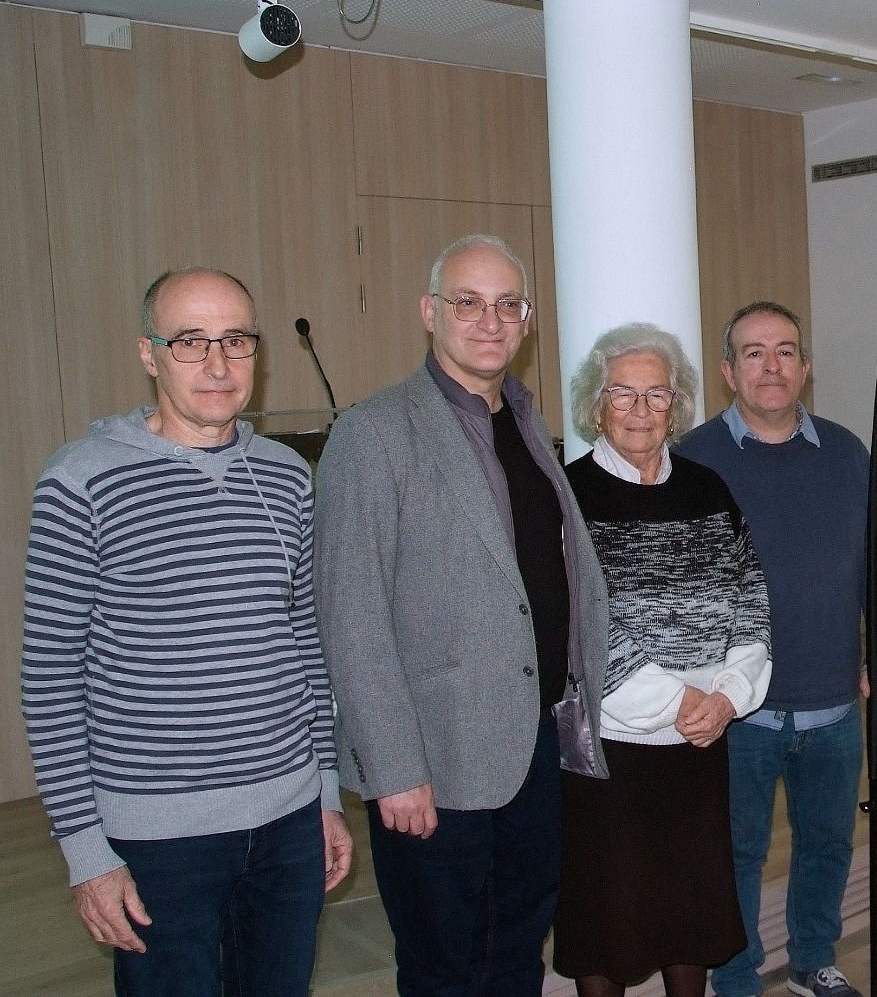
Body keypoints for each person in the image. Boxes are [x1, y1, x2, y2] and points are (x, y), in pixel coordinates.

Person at [21, 267, 352, 995]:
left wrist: (325, 794)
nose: (217, 364)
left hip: (287, 818)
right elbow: (48, 681)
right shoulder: (82, 481)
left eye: (236, 340)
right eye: (190, 342)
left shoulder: (287, 477)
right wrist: (86, 852)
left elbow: (306, 648)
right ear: (149, 354)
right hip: (155, 838)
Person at [315, 234, 610, 995]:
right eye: (467, 303)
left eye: (507, 305)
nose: (490, 321)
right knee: (444, 966)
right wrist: (394, 769)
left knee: (515, 954)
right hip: (434, 762)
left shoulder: (526, 426)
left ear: (528, 317)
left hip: (535, 745)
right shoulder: (374, 433)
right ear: (430, 312)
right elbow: (351, 616)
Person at [555, 323, 772, 997]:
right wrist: (673, 701)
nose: (642, 410)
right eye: (623, 394)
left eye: (657, 395)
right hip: (611, 750)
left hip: (699, 742)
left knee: (692, 911)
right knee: (607, 922)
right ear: (596, 404)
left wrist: (730, 695)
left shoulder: (708, 488)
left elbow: (751, 596)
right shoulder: (568, 495)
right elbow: (575, 622)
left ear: (676, 406)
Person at [679, 301, 870, 997]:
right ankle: (733, 973)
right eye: (753, 352)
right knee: (736, 852)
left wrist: (872, 655)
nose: (771, 365)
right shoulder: (692, 459)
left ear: (806, 367)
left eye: (785, 350)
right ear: (729, 370)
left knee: (827, 844)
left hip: (832, 701)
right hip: (736, 710)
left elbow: (871, 566)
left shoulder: (847, 453)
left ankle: (813, 957)